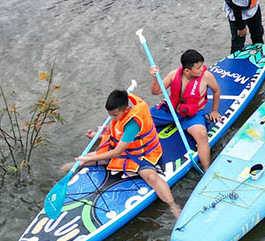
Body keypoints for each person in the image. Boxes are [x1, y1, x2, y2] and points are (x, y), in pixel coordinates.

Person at [63, 88, 181, 218]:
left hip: (142, 154)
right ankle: (70, 167)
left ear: (126, 110)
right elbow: (117, 133)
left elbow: (117, 151)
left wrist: (91, 158)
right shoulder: (120, 115)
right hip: (125, 150)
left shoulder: (132, 124)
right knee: (87, 158)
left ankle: (173, 206)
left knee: (151, 177)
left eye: (114, 115)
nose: (112, 118)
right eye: (110, 115)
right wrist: (99, 136)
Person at [149, 49, 223, 170]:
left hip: (193, 115)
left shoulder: (206, 76)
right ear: (187, 70)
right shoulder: (174, 75)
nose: (202, 69)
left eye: (201, 66)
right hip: (171, 111)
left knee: (202, 135)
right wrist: (155, 77)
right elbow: (155, 91)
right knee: (139, 118)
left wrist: (214, 110)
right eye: (198, 68)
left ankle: (206, 169)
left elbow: (216, 91)